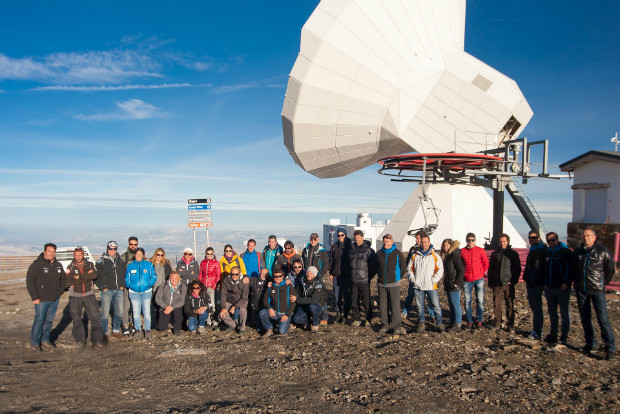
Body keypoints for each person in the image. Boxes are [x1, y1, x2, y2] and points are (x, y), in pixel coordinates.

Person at [573, 228, 616, 360]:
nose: (586, 238)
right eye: (584, 236)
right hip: (582, 290)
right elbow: (574, 268)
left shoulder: (602, 251)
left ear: (594, 237)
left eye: (588, 236)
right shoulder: (578, 251)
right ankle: (590, 343)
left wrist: (602, 283)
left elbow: (610, 269)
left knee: (602, 318)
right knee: (585, 318)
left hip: (597, 290)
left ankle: (610, 347)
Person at [26, 243, 65, 350]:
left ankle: (45, 340)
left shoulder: (58, 265)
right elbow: (30, 281)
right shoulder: (37, 265)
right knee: (39, 320)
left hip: (54, 298)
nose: (51, 254)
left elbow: (63, 279)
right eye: (49, 251)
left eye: (53, 252)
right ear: (44, 252)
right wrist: (34, 297)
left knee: (49, 320)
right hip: (41, 299)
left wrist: (60, 291)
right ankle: (35, 342)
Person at [66, 247, 103, 348]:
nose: (78, 257)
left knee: (95, 317)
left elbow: (95, 275)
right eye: (76, 255)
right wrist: (86, 276)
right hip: (75, 295)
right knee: (76, 318)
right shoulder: (71, 267)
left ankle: (97, 340)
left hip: (89, 294)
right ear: (74, 256)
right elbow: (70, 281)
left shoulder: (90, 264)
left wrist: (80, 277)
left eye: (80, 255)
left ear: (83, 255)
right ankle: (79, 340)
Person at [408, 234, 445, 332]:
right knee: (419, 307)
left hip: (431, 286)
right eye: (422, 242)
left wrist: (433, 280)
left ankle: (439, 323)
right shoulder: (415, 255)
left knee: (435, 305)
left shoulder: (434, 256)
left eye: (425, 242)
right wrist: (414, 280)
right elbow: (410, 269)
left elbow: (440, 270)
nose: (423, 244)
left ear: (429, 243)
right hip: (418, 286)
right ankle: (421, 323)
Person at [543, 232, 572, 345]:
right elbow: (544, 269)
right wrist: (545, 283)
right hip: (549, 287)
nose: (551, 242)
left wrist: (566, 283)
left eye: (552, 240)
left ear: (557, 239)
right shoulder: (547, 252)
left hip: (561, 287)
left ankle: (564, 336)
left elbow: (570, 269)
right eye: (548, 241)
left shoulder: (565, 252)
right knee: (552, 312)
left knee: (564, 312)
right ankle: (553, 334)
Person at [487, 233, 521, 332]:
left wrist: (514, 281)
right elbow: (491, 269)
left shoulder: (513, 254)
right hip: (497, 283)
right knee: (497, 305)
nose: (502, 243)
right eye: (501, 241)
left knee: (509, 304)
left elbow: (517, 269)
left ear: (508, 242)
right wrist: (490, 282)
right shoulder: (495, 254)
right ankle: (497, 323)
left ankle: (510, 325)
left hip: (508, 283)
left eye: (504, 241)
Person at [376, 234, 406, 335]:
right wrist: (379, 276)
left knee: (395, 306)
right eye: (384, 241)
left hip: (394, 284)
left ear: (392, 242)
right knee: (383, 306)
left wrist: (397, 277)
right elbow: (376, 266)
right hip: (382, 284)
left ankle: (396, 326)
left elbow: (403, 267)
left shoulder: (397, 253)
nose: (386, 243)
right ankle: (384, 325)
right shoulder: (379, 253)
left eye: (388, 241)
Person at [95, 241, 127, 340]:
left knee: (119, 312)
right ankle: (104, 332)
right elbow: (97, 276)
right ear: (107, 249)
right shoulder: (101, 261)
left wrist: (123, 285)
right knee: (105, 313)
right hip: (107, 290)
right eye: (111, 248)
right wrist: (102, 287)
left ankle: (116, 331)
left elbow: (124, 274)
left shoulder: (120, 260)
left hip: (118, 290)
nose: (112, 251)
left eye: (115, 249)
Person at [125, 247, 157, 340]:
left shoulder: (148, 265)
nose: (138, 256)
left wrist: (149, 285)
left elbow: (154, 276)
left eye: (140, 254)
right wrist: (129, 285)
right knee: (136, 312)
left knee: (146, 312)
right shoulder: (130, 266)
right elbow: (127, 278)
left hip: (146, 292)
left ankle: (147, 330)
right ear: (134, 255)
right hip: (134, 292)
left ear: (143, 255)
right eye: (137, 254)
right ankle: (138, 330)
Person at [348, 230, 377, 327]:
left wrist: (368, 277)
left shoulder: (368, 251)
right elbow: (349, 265)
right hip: (354, 280)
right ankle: (357, 318)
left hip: (364, 280)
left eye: (359, 238)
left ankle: (369, 318)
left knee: (366, 301)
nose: (357, 240)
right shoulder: (351, 250)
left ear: (362, 238)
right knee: (354, 300)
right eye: (356, 238)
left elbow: (373, 266)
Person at [460, 232, 489, 328]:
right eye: (469, 240)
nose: (470, 242)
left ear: (475, 240)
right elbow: (460, 265)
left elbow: (486, 263)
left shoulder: (480, 250)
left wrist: (481, 273)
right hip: (467, 279)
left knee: (480, 300)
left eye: (472, 240)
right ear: (466, 241)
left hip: (478, 278)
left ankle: (479, 319)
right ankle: (469, 320)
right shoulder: (462, 251)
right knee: (467, 300)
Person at [301, 233, 330, 325]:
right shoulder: (306, 250)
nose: (313, 241)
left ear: (318, 239)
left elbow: (326, 264)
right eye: (311, 239)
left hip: (317, 276)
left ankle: (324, 316)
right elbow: (303, 261)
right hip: (307, 276)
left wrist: (320, 274)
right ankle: (309, 315)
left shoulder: (322, 250)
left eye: (314, 239)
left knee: (322, 295)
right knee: (307, 293)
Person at [259, 270, 298, 337]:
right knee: (262, 313)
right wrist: (269, 309)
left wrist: (287, 315)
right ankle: (269, 329)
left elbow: (292, 302)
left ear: (283, 276)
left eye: (279, 276)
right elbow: (265, 300)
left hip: (285, 313)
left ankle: (288, 324)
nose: (277, 278)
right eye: (275, 276)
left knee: (282, 332)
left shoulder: (288, 286)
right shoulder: (270, 286)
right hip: (275, 312)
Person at [523, 230, 546, 340]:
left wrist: (531, 280)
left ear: (538, 238)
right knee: (536, 307)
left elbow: (537, 268)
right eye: (530, 238)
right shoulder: (534, 250)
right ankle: (537, 329)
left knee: (537, 307)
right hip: (533, 282)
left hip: (535, 283)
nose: (531, 239)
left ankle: (538, 331)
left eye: (534, 237)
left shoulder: (538, 251)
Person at [440, 239, 465, 332]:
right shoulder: (448, 256)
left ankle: (458, 324)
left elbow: (461, 269)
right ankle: (452, 322)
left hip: (454, 283)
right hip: (449, 282)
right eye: (444, 246)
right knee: (451, 304)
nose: (445, 247)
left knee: (456, 304)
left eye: (447, 246)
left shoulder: (454, 255)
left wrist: (456, 283)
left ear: (451, 246)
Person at [290, 266, 324, 333]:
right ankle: (308, 322)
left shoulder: (318, 285)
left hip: (315, 305)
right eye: (308, 273)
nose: (309, 275)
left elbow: (313, 300)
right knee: (296, 319)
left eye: (311, 273)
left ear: (314, 275)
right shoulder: (302, 282)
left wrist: (297, 300)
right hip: (304, 305)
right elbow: (296, 291)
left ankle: (315, 324)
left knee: (313, 307)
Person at [329, 228, 352, 323]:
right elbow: (331, 260)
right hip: (336, 275)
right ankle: (338, 314)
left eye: (342, 235)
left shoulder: (350, 246)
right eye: (338, 235)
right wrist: (330, 273)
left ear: (345, 235)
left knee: (347, 296)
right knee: (337, 296)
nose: (340, 237)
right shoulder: (334, 246)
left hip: (347, 275)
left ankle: (345, 315)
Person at [155, 271, 187, 335]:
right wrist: (165, 306)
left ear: (179, 279)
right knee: (161, 328)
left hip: (176, 306)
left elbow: (182, 301)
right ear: (169, 278)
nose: (174, 280)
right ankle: (167, 321)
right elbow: (157, 298)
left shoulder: (183, 287)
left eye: (176, 278)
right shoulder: (163, 285)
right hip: (165, 306)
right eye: (172, 278)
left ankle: (176, 329)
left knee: (178, 314)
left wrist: (172, 307)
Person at [220, 266, 249, 334]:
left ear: (239, 273)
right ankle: (233, 325)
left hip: (242, 300)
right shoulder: (226, 280)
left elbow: (244, 298)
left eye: (236, 274)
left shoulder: (244, 281)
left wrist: (234, 306)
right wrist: (223, 307)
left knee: (243, 310)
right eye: (232, 274)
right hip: (230, 299)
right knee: (222, 313)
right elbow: (223, 294)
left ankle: (242, 328)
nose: (234, 276)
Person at [120, 236, 139, 336]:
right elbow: (120, 272)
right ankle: (125, 325)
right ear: (128, 244)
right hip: (127, 287)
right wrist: (123, 285)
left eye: (135, 244)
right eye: (131, 244)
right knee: (126, 307)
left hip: (136, 287)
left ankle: (133, 324)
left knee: (134, 307)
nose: (133, 246)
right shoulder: (124, 257)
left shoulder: (139, 256)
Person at [199, 247, 221, 328]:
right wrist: (200, 284)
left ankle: (215, 319)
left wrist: (214, 285)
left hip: (212, 286)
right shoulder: (202, 263)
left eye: (211, 254)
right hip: (204, 286)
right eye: (208, 254)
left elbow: (218, 275)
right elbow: (201, 274)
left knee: (213, 304)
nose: (209, 255)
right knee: (206, 303)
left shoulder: (216, 263)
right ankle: (208, 320)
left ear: (213, 254)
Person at [150, 247, 172, 325]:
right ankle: (153, 323)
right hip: (153, 288)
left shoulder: (166, 265)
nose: (159, 256)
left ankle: (162, 322)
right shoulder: (150, 264)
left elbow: (170, 276)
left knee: (161, 305)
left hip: (163, 288)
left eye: (161, 255)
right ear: (155, 255)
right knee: (153, 306)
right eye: (158, 254)